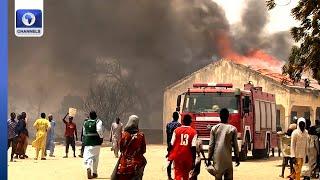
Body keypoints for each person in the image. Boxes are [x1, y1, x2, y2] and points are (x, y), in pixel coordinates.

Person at [207, 108, 240, 180]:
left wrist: (209, 158)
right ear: (228, 116)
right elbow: (235, 145)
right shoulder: (233, 129)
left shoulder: (214, 128)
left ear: (220, 116)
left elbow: (211, 146)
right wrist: (237, 157)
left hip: (217, 160)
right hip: (228, 160)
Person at [116, 115, 147, 180]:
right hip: (136, 165)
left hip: (123, 165)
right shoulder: (141, 135)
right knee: (144, 162)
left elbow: (121, 148)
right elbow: (143, 150)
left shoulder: (124, 134)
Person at [168, 114, 197, 180]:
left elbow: (171, 144)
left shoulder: (176, 130)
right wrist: (193, 160)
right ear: (190, 122)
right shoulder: (194, 132)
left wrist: (169, 153)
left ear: (183, 121)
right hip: (188, 156)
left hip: (177, 156)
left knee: (177, 174)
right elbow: (193, 147)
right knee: (186, 175)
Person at [83, 111, 104, 179]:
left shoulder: (85, 122)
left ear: (89, 116)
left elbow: (84, 132)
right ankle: (94, 173)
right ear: (96, 116)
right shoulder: (98, 121)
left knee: (88, 156)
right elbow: (99, 129)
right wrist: (101, 137)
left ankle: (88, 166)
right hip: (96, 142)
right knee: (95, 157)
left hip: (87, 142)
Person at [165, 111, 181, 180]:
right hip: (176, 145)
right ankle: (177, 176)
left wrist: (168, 146)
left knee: (169, 161)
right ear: (178, 117)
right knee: (178, 161)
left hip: (169, 145)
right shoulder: (179, 125)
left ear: (172, 117)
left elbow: (167, 135)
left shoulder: (168, 125)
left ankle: (169, 176)